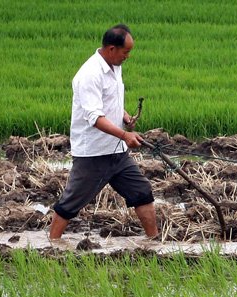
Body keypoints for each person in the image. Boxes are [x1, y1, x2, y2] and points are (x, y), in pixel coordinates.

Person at [49, 24, 158, 240]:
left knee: (142, 193)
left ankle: (154, 242)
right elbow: (95, 118)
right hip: (93, 154)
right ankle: (51, 245)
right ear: (111, 49)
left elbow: (109, 101)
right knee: (70, 204)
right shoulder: (89, 74)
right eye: (125, 52)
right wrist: (125, 135)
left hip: (117, 152)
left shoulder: (115, 65)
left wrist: (124, 116)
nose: (127, 56)